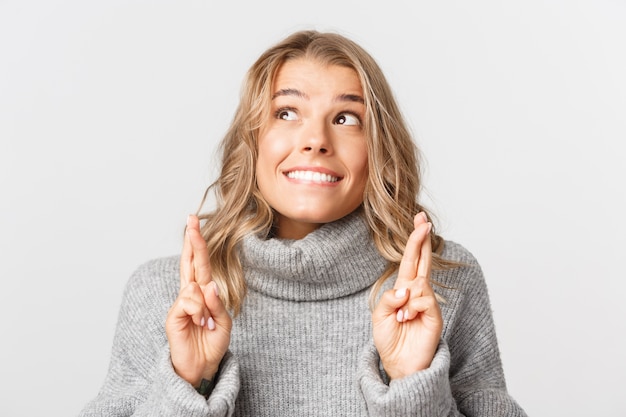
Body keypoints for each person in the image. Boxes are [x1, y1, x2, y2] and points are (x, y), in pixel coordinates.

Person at [80, 30, 527, 416]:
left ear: (379, 151)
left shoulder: (443, 284)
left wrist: (411, 386)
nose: (315, 140)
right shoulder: (163, 294)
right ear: (251, 142)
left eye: (346, 118)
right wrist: (187, 384)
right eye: (287, 113)